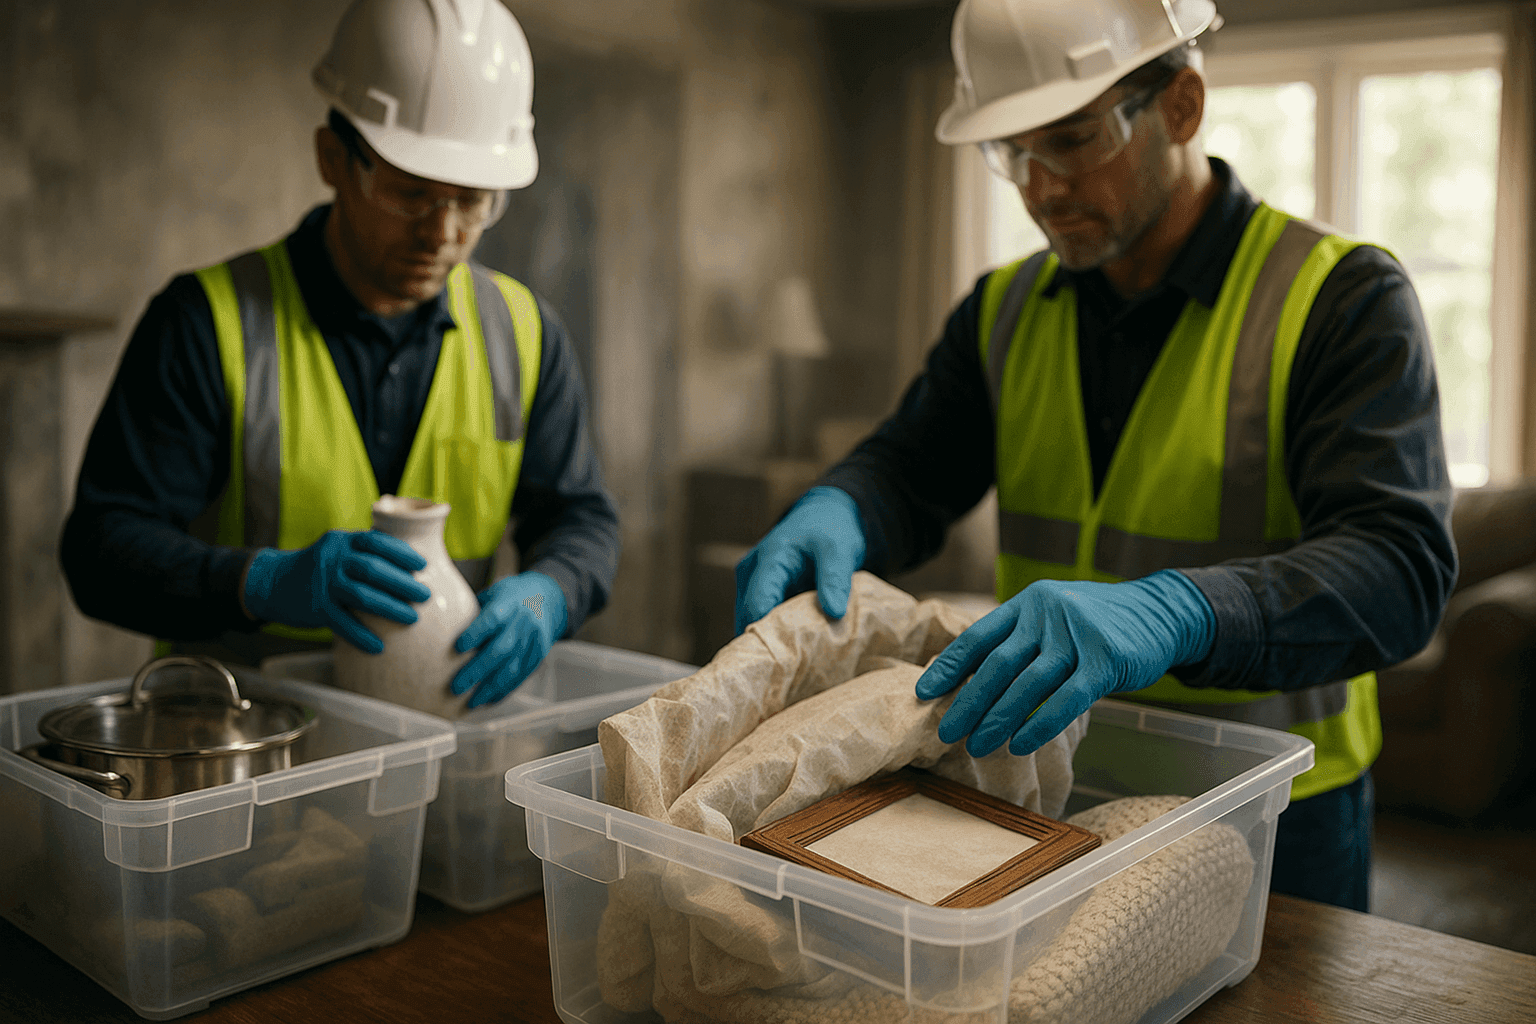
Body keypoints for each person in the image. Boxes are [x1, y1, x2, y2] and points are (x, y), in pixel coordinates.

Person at [733, 0, 1455, 911]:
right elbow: (911, 469)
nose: (1038, 188)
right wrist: (841, 503)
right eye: (1010, 153)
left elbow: (1401, 568)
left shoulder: (1339, 301)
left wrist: (1182, 611)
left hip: (1271, 818)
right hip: (1052, 796)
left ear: (1182, 106)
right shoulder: (1001, 312)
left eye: (1071, 140)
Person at [60, 0, 619, 711]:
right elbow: (100, 553)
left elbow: (582, 519)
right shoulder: (206, 324)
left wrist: (555, 590)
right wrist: (258, 582)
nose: (442, 233)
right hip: (237, 760)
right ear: (333, 159)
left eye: (473, 200)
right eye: (411, 193)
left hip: (439, 752)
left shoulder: (526, 334)